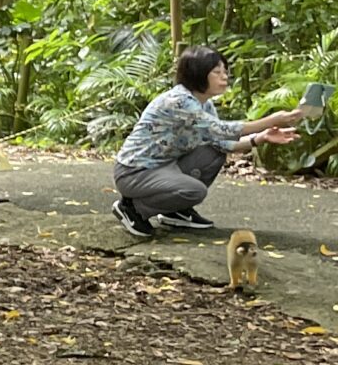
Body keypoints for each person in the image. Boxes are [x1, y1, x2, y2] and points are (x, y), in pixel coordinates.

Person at [111, 45, 303, 241]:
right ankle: (133, 209)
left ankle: (175, 210)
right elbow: (221, 129)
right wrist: (271, 120)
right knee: (195, 191)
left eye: (225, 72)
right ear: (197, 74)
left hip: (165, 165)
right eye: (217, 72)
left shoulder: (204, 103)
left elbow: (221, 142)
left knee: (214, 152)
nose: (225, 77)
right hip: (134, 172)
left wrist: (261, 138)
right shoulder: (179, 101)